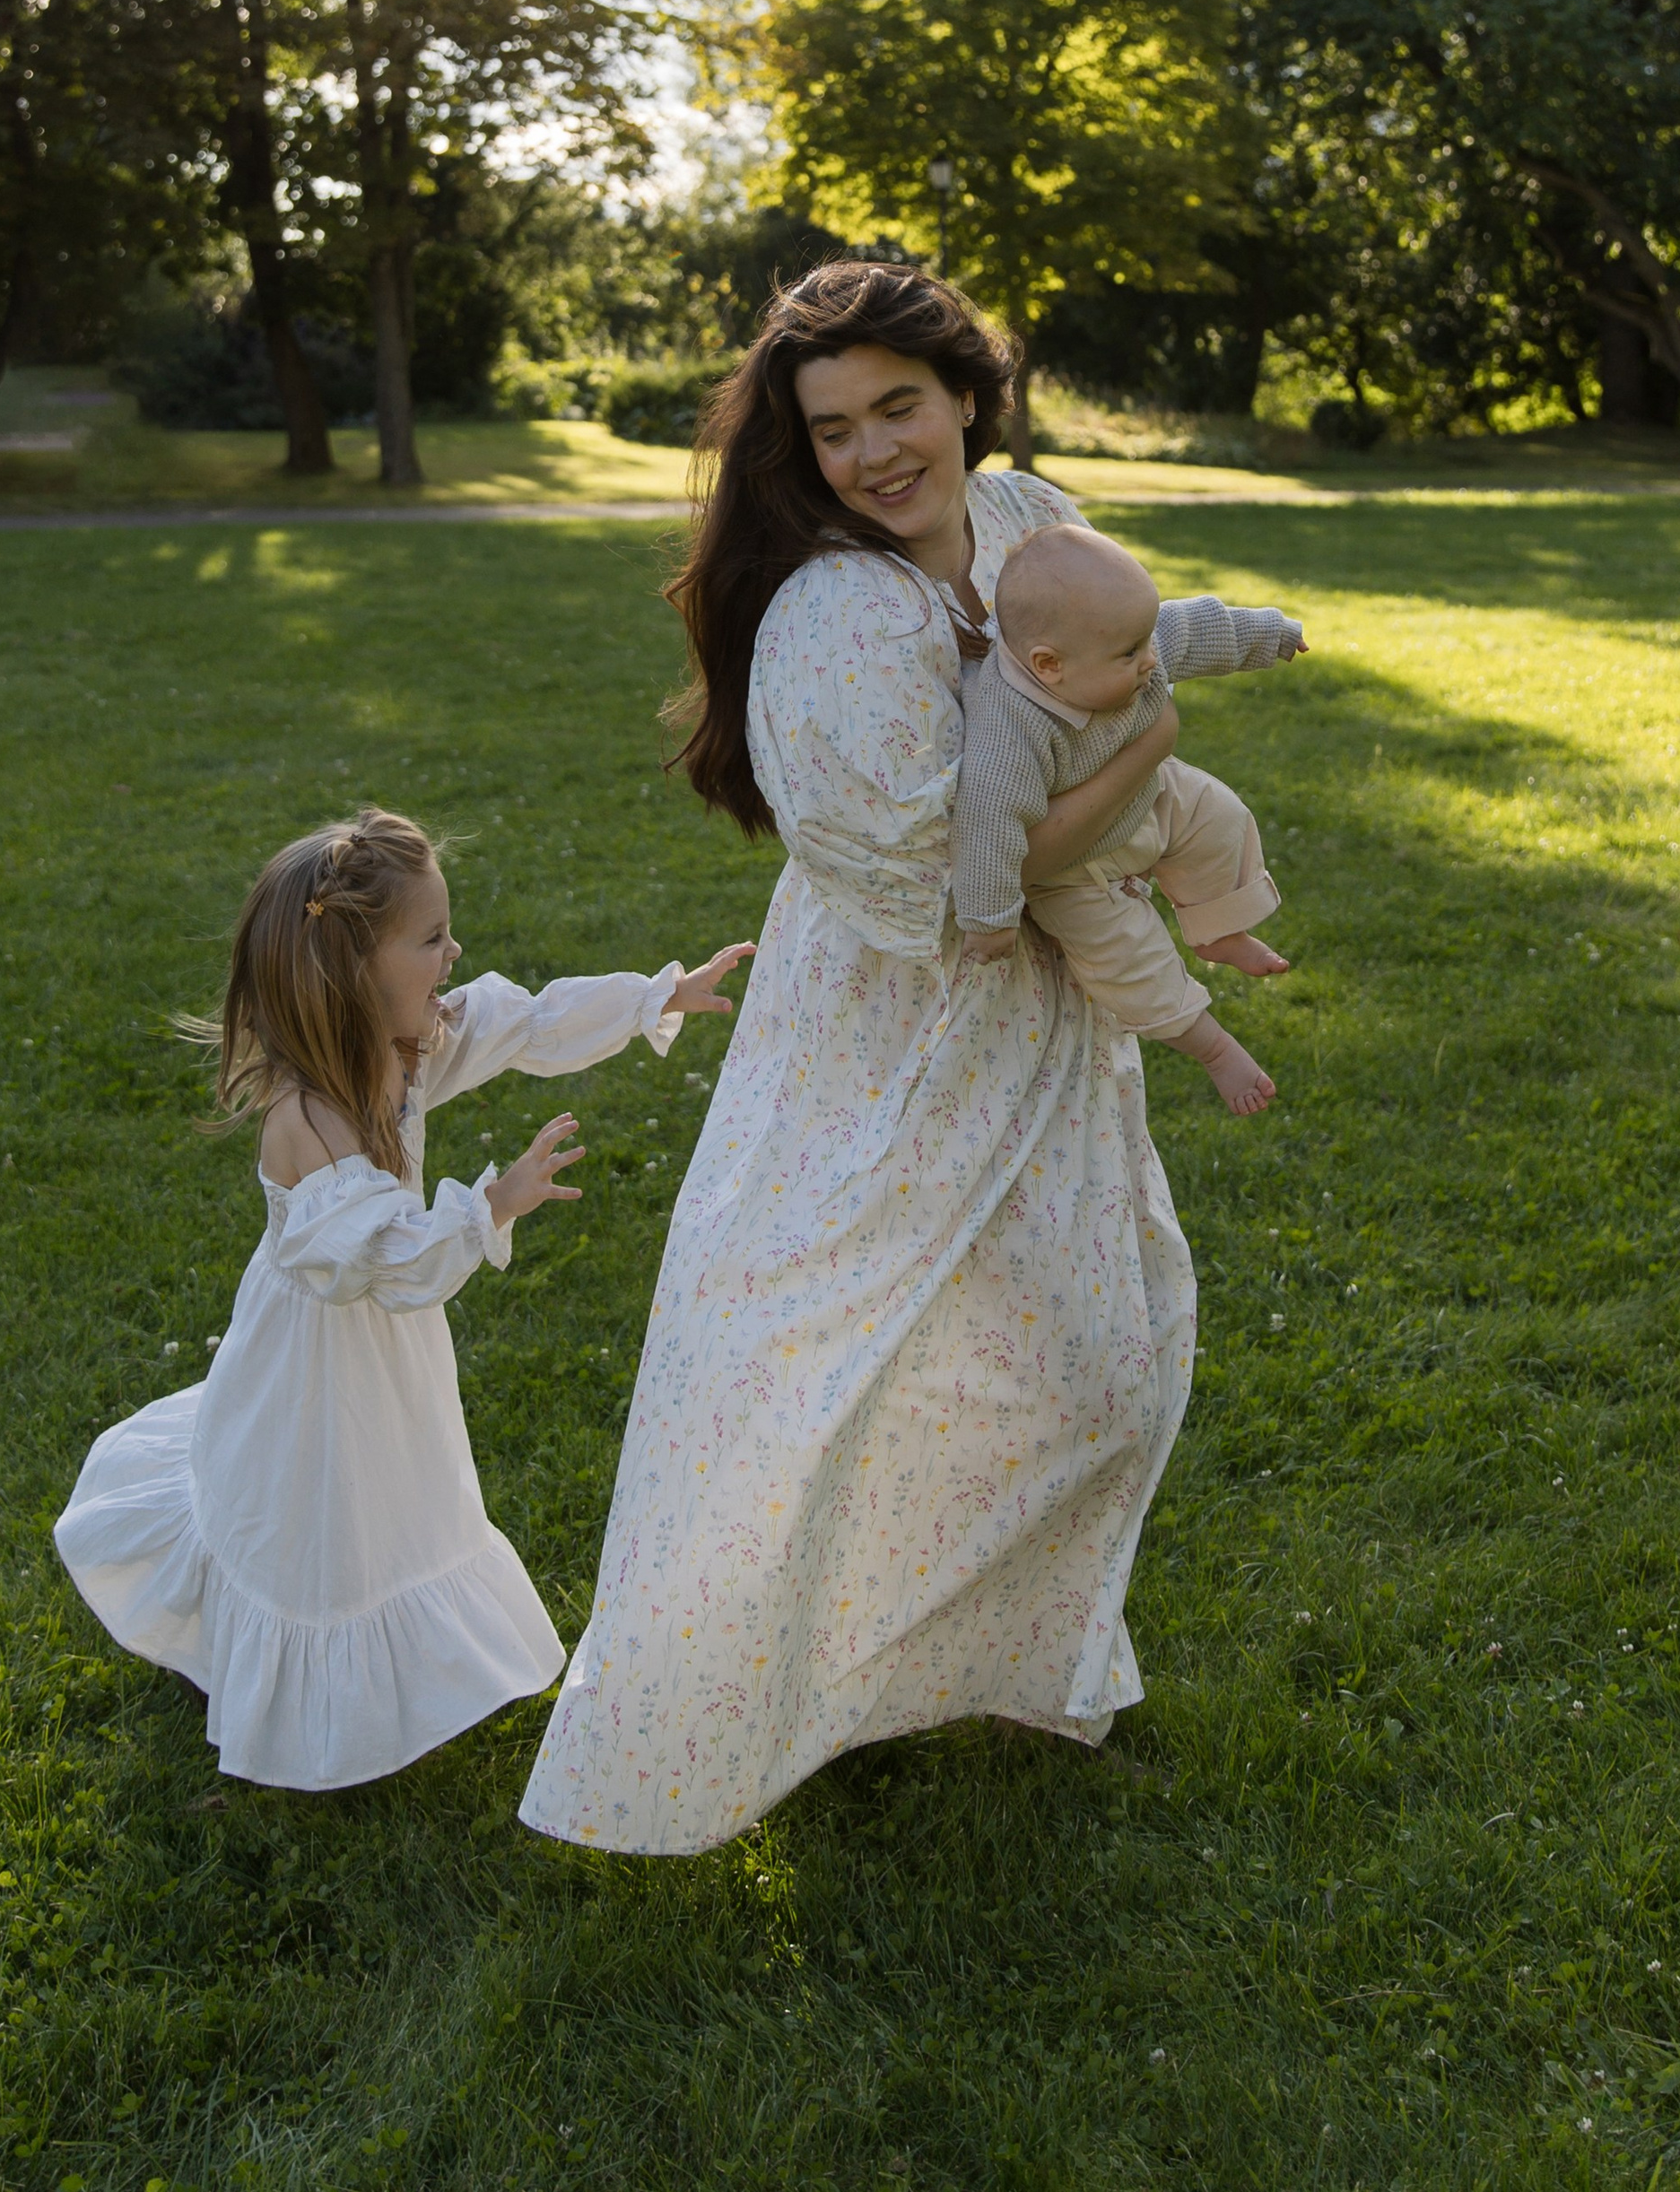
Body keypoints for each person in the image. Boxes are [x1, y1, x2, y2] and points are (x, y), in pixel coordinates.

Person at [519, 262, 1202, 1858]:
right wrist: (1156, 744)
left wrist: (1149, 764)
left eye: (900, 404)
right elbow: (953, 893)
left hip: (1034, 1031)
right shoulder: (834, 615)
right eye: (833, 428)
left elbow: (1098, 689)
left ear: (967, 393)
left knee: (1095, 1358)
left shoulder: (1030, 516)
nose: (876, 449)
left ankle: (987, 1656)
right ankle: (701, 1713)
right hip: (879, 1039)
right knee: (794, 1372)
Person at [53, 809, 753, 1794]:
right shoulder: (309, 1122)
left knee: (393, 1495)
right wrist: (490, 1206)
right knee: (316, 1505)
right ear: (349, 965)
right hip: (319, 1360)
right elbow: (386, 1261)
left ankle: (395, 1668)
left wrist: (653, 996)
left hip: (384, 1350)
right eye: (430, 938)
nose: (453, 952)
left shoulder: (410, 1041)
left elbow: (528, 1021)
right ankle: (285, 1685)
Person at [953, 524, 1309, 1118]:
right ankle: (1214, 1048)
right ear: (1050, 665)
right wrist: (987, 921)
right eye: (1130, 654)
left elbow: (1198, 627)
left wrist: (1269, 632)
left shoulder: (1128, 639)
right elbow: (986, 827)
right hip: (1070, 871)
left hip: (1150, 793)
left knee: (1218, 816)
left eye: (1147, 641)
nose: (1151, 659)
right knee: (1126, 961)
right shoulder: (1008, 729)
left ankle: (1218, 927)